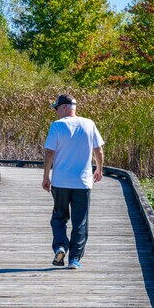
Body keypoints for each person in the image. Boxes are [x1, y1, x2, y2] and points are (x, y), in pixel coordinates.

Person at [42, 94, 104, 269]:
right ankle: (74, 260)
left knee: (59, 217)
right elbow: (98, 150)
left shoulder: (57, 126)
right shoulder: (89, 124)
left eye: (56, 109)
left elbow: (49, 153)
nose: (55, 112)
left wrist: (46, 176)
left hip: (61, 181)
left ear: (63, 107)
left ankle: (60, 246)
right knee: (80, 221)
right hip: (83, 182)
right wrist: (99, 169)